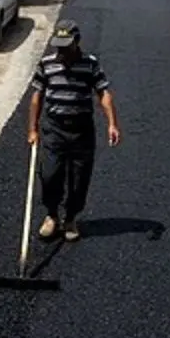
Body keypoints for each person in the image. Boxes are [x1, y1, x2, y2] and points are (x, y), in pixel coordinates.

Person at [27, 20, 121, 242]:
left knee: (79, 179)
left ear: (77, 42)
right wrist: (32, 129)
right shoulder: (46, 64)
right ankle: (51, 215)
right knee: (50, 175)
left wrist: (112, 123)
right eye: (58, 46)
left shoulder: (90, 64)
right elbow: (36, 97)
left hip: (81, 131)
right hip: (54, 128)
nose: (61, 51)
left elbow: (103, 93)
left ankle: (70, 218)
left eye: (66, 46)